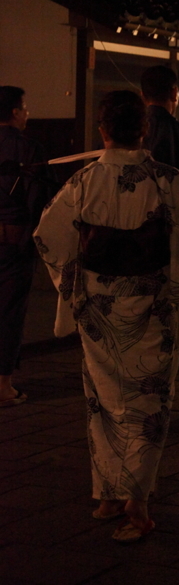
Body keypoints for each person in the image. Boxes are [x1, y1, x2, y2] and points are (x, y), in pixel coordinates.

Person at [35, 90, 179, 542]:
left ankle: (108, 494)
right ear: (144, 130)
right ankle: (135, 501)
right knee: (147, 401)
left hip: (99, 307)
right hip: (152, 303)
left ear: (102, 130)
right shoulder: (164, 180)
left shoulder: (83, 182)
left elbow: (48, 236)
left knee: (103, 401)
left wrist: (73, 285)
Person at [0, 86, 54, 408]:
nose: (28, 113)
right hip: (13, 241)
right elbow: (41, 202)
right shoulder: (28, 149)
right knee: (8, 312)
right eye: (25, 108)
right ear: (16, 111)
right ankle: (3, 384)